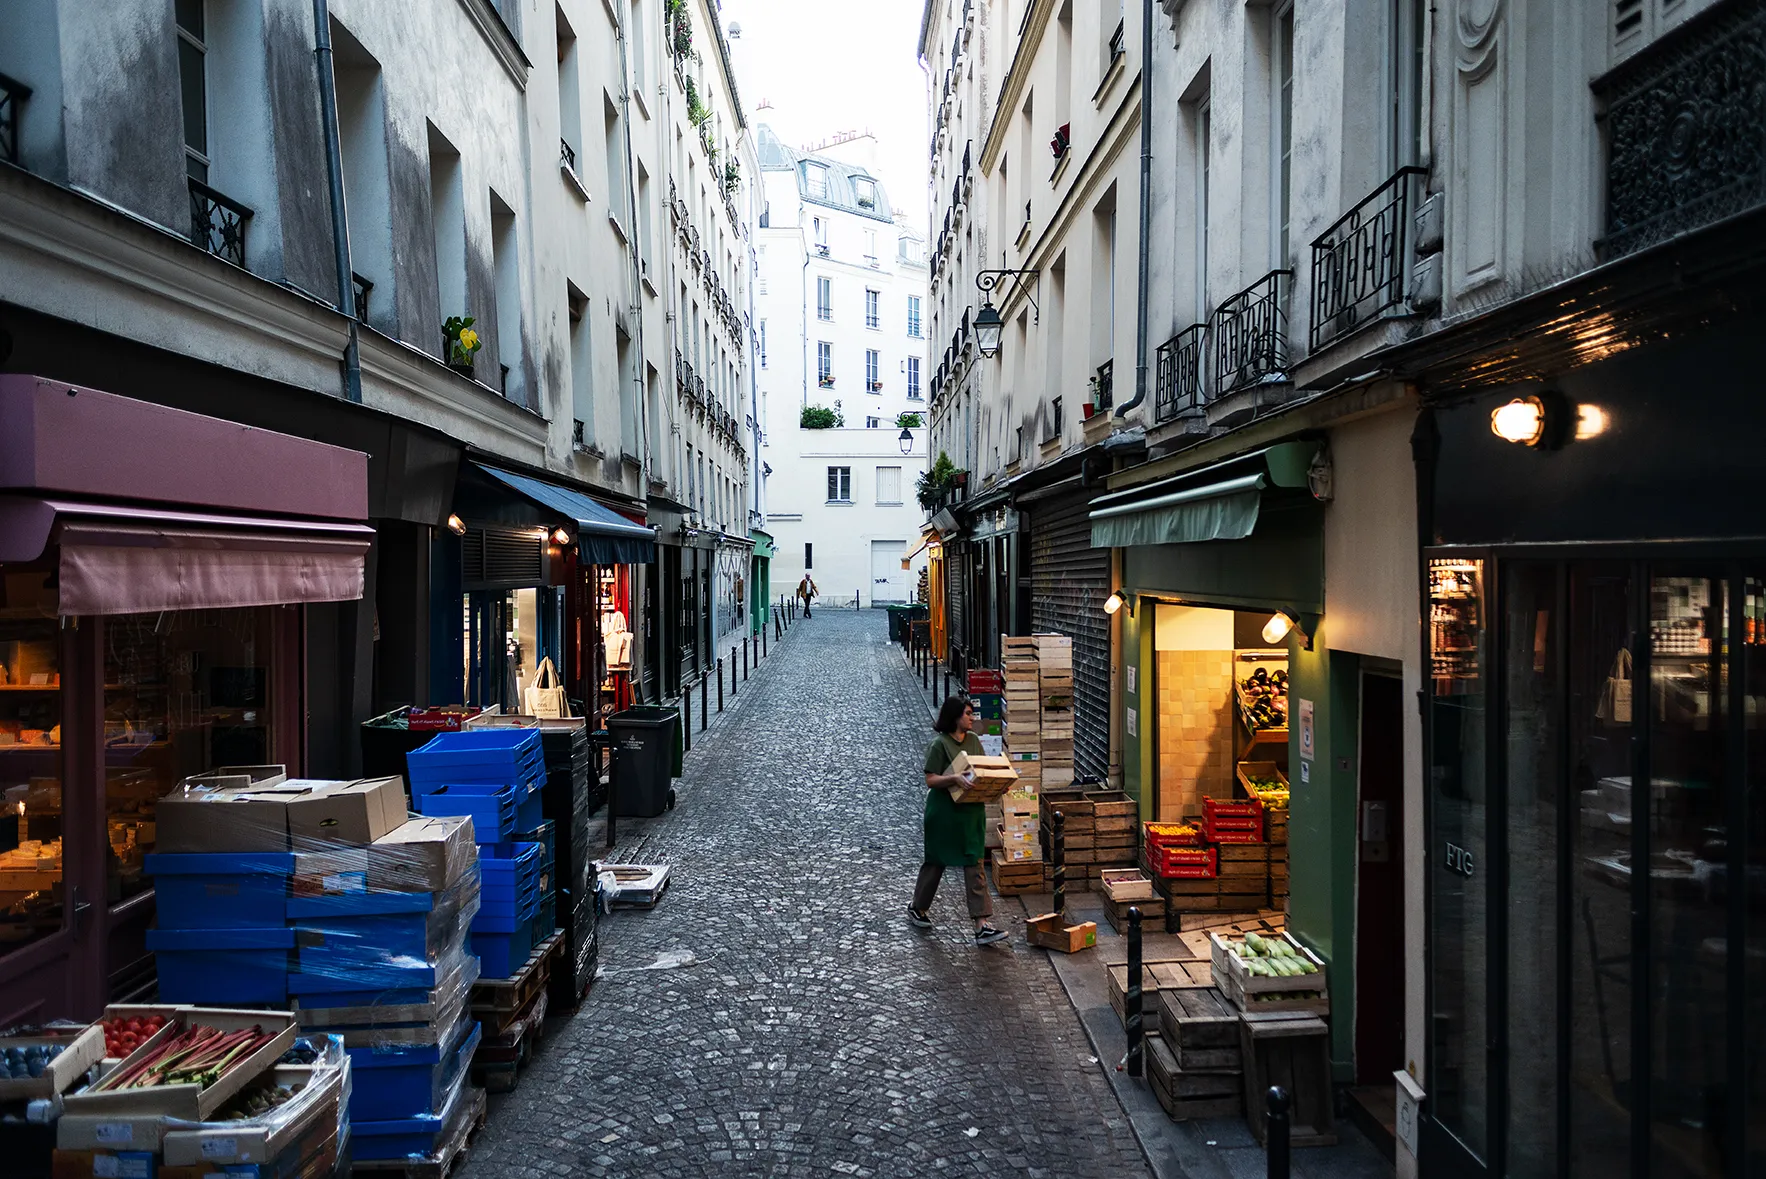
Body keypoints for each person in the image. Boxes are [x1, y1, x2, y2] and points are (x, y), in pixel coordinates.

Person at [909, 696, 1008, 945]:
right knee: (936, 862)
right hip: (944, 814)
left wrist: (997, 783)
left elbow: (982, 769)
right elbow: (930, 780)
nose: (972, 718)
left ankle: (981, 924)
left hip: (970, 812)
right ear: (955, 716)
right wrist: (954, 778)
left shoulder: (974, 740)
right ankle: (917, 906)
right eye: (968, 713)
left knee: (974, 864)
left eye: (972, 713)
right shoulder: (939, 745)